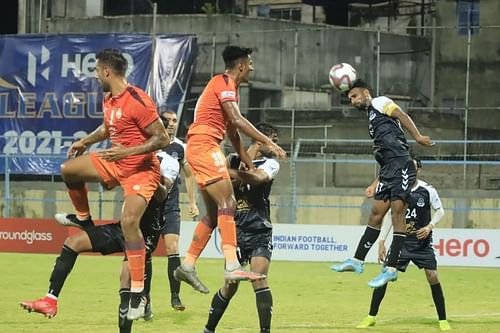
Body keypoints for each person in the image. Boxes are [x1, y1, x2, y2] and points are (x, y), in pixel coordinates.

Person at [54, 48, 169, 319]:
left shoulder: (138, 100)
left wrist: (125, 152)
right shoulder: (109, 99)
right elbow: (108, 128)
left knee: (129, 221)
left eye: (96, 71)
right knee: (68, 170)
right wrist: (86, 141)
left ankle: (139, 295)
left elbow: (161, 138)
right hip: (114, 162)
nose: (95, 76)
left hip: (141, 170)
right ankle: (83, 219)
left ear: (107, 71)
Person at [20, 153, 179, 333]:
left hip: (145, 234)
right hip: (122, 228)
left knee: (125, 279)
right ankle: (50, 300)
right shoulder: (129, 153)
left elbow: (162, 194)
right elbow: (107, 184)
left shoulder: (168, 161)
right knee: (73, 242)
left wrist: (148, 176)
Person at [173, 45, 287, 292]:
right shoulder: (223, 83)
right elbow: (237, 120)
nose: (253, 68)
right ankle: (232, 264)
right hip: (205, 146)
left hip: (201, 146)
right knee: (229, 203)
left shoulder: (228, 89)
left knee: (214, 214)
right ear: (241, 65)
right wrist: (267, 142)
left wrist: (246, 158)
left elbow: (233, 132)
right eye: (251, 63)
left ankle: (188, 265)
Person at [332, 79, 434, 288]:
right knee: (376, 214)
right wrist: (375, 182)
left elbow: (402, 115)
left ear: (365, 93)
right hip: (388, 169)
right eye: (349, 98)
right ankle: (357, 260)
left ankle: (391, 269)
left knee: (397, 214)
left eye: (354, 96)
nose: (352, 101)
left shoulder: (379, 102)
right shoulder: (371, 116)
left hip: (402, 165)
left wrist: (418, 136)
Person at [200, 123, 279, 333]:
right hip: (234, 230)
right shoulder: (232, 160)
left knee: (259, 278)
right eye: (273, 140)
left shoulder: (270, 164)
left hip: (259, 230)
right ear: (260, 139)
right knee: (230, 285)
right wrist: (229, 174)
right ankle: (208, 329)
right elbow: (221, 186)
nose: (275, 145)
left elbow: (258, 178)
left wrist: (229, 173)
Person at [357, 158, 451, 331]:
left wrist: (430, 226)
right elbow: (389, 217)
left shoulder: (427, 190)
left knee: (433, 276)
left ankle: (443, 319)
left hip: (422, 243)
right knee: (384, 277)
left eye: (413, 168)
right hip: (402, 243)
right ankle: (370, 317)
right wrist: (382, 241)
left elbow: (440, 211)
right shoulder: (397, 189)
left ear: (419, 170)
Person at [158, 111, 199, 311]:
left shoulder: (181, 148)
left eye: (175, 120)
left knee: (172, 248)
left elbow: (190, 176)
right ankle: (143, 298)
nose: (172, 124)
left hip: (171, 207)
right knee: (143, 252)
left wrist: (192, 202)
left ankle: (175, 296)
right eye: (168, 120)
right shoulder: (150, 144)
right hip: (149, 207)